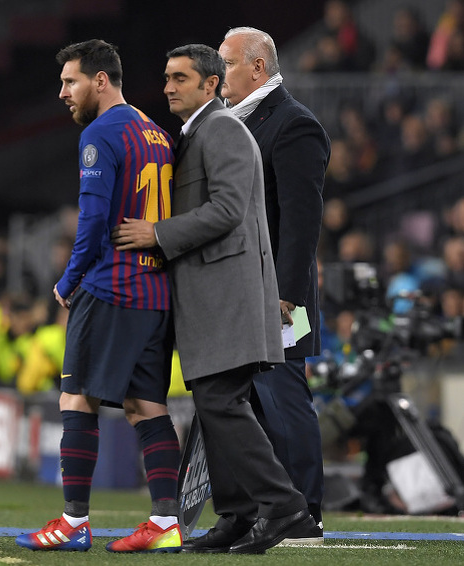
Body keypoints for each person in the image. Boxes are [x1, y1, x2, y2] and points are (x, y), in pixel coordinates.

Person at [111, 43, 314, 554]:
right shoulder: (199, 130)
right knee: (213, 404)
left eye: (180, 78)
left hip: (228, 298)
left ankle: (282, 505)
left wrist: (157, 233)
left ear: (210, 84)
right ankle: (238, 515)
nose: (168, 87)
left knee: (221, 401)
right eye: (166, 77)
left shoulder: (222, 128)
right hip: (210, 299)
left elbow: (226, 210)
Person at [15, 39, 182, 554]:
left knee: (75, 397)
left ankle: (74, 522)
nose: (63, 92)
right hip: (156, 291)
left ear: (101, 81)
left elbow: (91, 222)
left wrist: (68, 281)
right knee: (146, 405)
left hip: (112, 286)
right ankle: (165, 522)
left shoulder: (100, 133)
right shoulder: (157, 133)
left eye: (71, 81)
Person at [218, 27, 330, 545]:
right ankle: (265, 510)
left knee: (284, 395)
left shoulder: (293, 124)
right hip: (245, 291)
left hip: (282, 296)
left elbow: (303, 222)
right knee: (255, 404)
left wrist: (285, 295)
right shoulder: (237, 124)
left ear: (258, 68)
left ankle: (305, 511)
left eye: (228, 64)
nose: (219, 75)